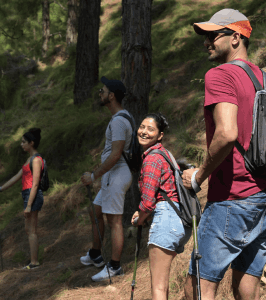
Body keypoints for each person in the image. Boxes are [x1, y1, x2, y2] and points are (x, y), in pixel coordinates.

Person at [182, 9, 266, 300]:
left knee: (197, 289)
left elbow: (226, 133)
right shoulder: (265, 78)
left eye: (213, 35)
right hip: (265, 196)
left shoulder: (220, 75)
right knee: (246, 286)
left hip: (231, 198)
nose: (206, 42)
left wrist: (198, 176)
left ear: (236, 36)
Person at [131, 113, 192, 300]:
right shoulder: (165, 155)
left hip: (165, 219)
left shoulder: (152, 159)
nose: (144, 132)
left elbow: (148, 203)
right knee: (162, 286)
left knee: (157, 288)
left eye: (150, 129)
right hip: (179, 219)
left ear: (160, 135)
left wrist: (139, 219)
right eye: (142, 127)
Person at [80, 76, 133, 282]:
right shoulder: (121, 117)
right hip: (113, 175)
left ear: (111, 96)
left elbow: (116, 154)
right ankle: (95, 255)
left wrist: (94, 175)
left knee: (115, 221)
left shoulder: (119, 120)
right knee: (95, 211)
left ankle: (115, 266)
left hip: (117, 174)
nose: (99, 94)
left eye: (102, 91)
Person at [0, 128, 45, 270]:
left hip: (32, 195)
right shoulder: (29, 159)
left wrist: (28, 205)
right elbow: (17, 177)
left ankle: (34, 263)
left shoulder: (36, 160)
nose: (21, 144)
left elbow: (35, 185)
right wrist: (1, 189)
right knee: (29, 229)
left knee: (32, 229)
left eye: (24, 142)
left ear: (32, 143)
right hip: (28, 195)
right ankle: (33, 261)